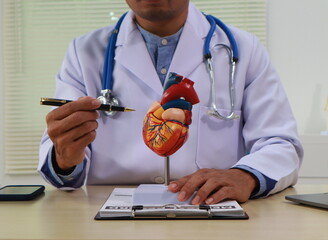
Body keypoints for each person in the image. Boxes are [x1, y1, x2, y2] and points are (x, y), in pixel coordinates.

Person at [38, 0, 304, 205]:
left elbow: (280, 144)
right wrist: (65, 157)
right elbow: (63, 162)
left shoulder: (243, 49)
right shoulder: (83, 52)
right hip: (109, 213)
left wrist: (246, 176)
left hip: (213, 208)